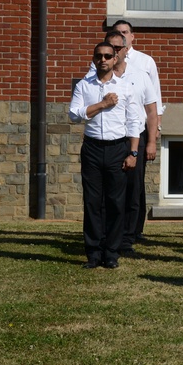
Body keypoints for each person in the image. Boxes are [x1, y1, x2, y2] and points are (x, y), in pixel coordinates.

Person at [69, 41, 143, 269]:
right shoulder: (84, 86)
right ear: (94, 59)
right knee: (92, 202)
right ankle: (93, 252)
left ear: (115, 59)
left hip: (117, 148)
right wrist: (102, 104)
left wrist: (133, 152)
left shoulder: (125, 87)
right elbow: (74, 114)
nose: (103, 60)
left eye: (107, 56)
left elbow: (134, 122)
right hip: (92, 148)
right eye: (99, 56)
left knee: (115, 202)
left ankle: (111, 252)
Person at [100, 20, 163, 246]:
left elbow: (152, 109)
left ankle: (129, 235)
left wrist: (152, 142)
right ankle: (109, 234)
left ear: (127, 48)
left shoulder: (141, 72)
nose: (115, 53)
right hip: (110, 137)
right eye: (111, 49)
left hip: (137, 135)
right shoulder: (98, 75)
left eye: (119, 48)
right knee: (111, 188)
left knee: (133, 188)